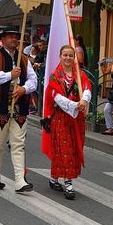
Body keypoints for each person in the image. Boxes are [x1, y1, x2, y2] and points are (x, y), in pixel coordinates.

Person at [0, 26, 37, 193]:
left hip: (20, 105)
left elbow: (33, 80)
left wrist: (24, 89)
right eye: (10, 36)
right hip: (0, 104)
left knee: (18, 144)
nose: (14, 39)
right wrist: (10, 75)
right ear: (3, 39)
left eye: (16, 36)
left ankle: (20, 179)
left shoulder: (24, 60)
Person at [41, 44, 92, 199]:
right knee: (64, 148)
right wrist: (74, 106)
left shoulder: (80, 74)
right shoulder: (55, 76)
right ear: (60, 57)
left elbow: (87, 88)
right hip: (61, 118)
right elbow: (55, 96)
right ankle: (68, 183)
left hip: (76, 120)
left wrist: (84, 100)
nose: (68, 58)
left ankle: (54, 177)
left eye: (71, 55)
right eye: (65, 55)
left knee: (74, 147)